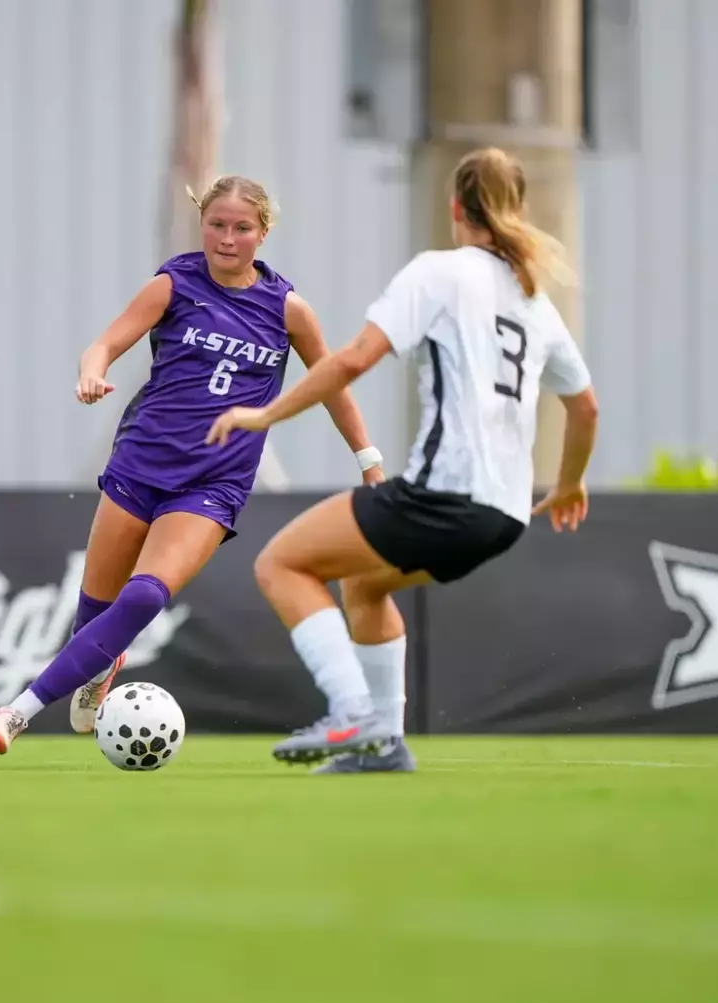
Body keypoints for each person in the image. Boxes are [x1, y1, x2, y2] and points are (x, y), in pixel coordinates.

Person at [204, 147, 601, 774]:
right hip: (504, 515)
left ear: (455, 207)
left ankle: (352, 712)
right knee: (365, 584)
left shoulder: (439, 273)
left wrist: (263, 414)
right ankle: (385, 745)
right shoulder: (534, 300)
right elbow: (585, 409)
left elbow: (353, 360)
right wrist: (571, 483)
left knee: (281, 564)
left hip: (446, 495)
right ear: (516, 210)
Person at [0, 175, 387, 754]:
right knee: (95, 615)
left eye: (241, 228)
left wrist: (369, 460)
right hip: (140, 464)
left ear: (263, 233)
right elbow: (104, 344)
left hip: (213, 483)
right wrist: (91, 372)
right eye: (216, 225)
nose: (226, 238)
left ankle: (16, 712)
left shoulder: (288, 310)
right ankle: (101, 664)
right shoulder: (173, 285)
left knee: (144, 597)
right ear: (202, 225)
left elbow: (333, 384)